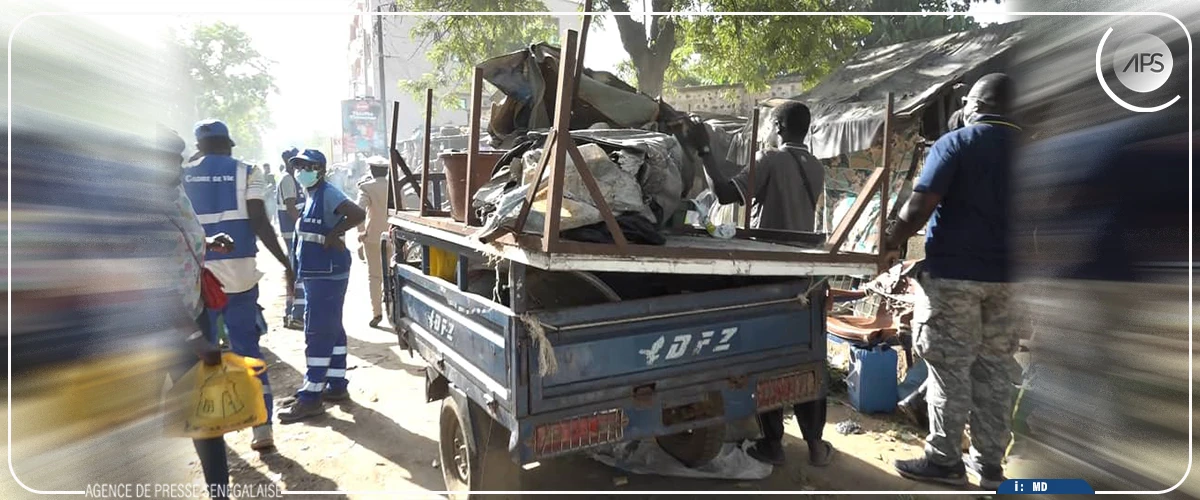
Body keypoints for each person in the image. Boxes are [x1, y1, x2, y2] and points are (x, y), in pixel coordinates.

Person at [884, 73, 1021, 489]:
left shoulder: (957, 143)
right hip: (1010, 282)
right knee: (996, 371)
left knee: (950, 370)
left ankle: (945, 460)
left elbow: (920, 205)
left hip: (956, 277)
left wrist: (891, 242)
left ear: (975, 104)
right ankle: (989, 466)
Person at [688, 101, 833, 467]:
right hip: (805, 274)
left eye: (771, 123)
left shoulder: (770, 159)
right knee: (806, 358)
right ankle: (816, 446)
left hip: (769, 270)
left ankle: (773, 444)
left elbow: (724, 194)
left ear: (779, 126)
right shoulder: (816, 167)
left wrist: (705, 151)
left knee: (767, 359)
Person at [182, 119, 294, 451]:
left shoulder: (183, 175)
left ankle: (212, 430)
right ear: (228, 144)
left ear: (199, 146)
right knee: (247, 351)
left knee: (205, 357)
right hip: (240, 275)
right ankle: (262, 429)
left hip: (198, 278)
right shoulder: (247, 171)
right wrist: (285, 261)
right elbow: (259, 219)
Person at [160, 125, 235, 499]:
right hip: (162, 327)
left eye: (177, 158)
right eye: (165, 158)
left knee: (207, 412)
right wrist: (195, 338)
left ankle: (219, 491)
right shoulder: (139, 206)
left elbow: (183, 239)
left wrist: (208, 243)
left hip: (193, 311)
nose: (175, 166)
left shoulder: (175, 192)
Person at [276, 149, 367, 423]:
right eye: (297, 166)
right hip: (319, 272)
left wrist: (333, 232)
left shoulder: (327, 193)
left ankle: (311, 396)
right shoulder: (311, 195)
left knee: (317, 332)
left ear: (320, 169)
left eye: (306, 166)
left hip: (327, 273)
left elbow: (357, 213)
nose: (300, 171)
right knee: (333, 329)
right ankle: (336, 385)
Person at [356, 156, 392, 328]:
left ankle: (377, 312)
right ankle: (394, 311)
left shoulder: (366, 188)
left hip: (372, 238)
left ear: (371, 170)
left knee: (375, 277)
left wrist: (361, 232)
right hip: (393, 237)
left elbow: (358, 211)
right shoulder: (394, 187)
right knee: (392, 275)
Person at [277, 148, 306, 330]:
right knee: (297, 274)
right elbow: (290, 207)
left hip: (294, 232)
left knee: (295, 273)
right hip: (293, 232)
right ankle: (295, 314)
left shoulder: (292, 178)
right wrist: (304, 226)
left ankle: (292, 313)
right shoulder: (288, 179)